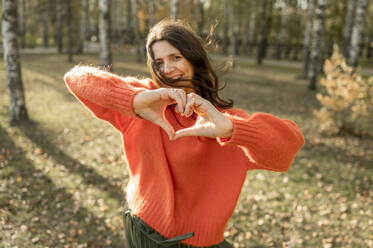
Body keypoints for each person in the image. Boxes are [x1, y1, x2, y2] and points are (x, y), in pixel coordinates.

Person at [64, 19, 305, 248]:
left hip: (202, 241)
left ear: (194, 58)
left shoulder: (223, 121)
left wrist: (233, 129)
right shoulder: (145, 102)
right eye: (158, 62)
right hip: (144, 230)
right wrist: (133, 99)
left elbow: (288, 147)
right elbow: (76, 79)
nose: (167, 69)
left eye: (175, 57)